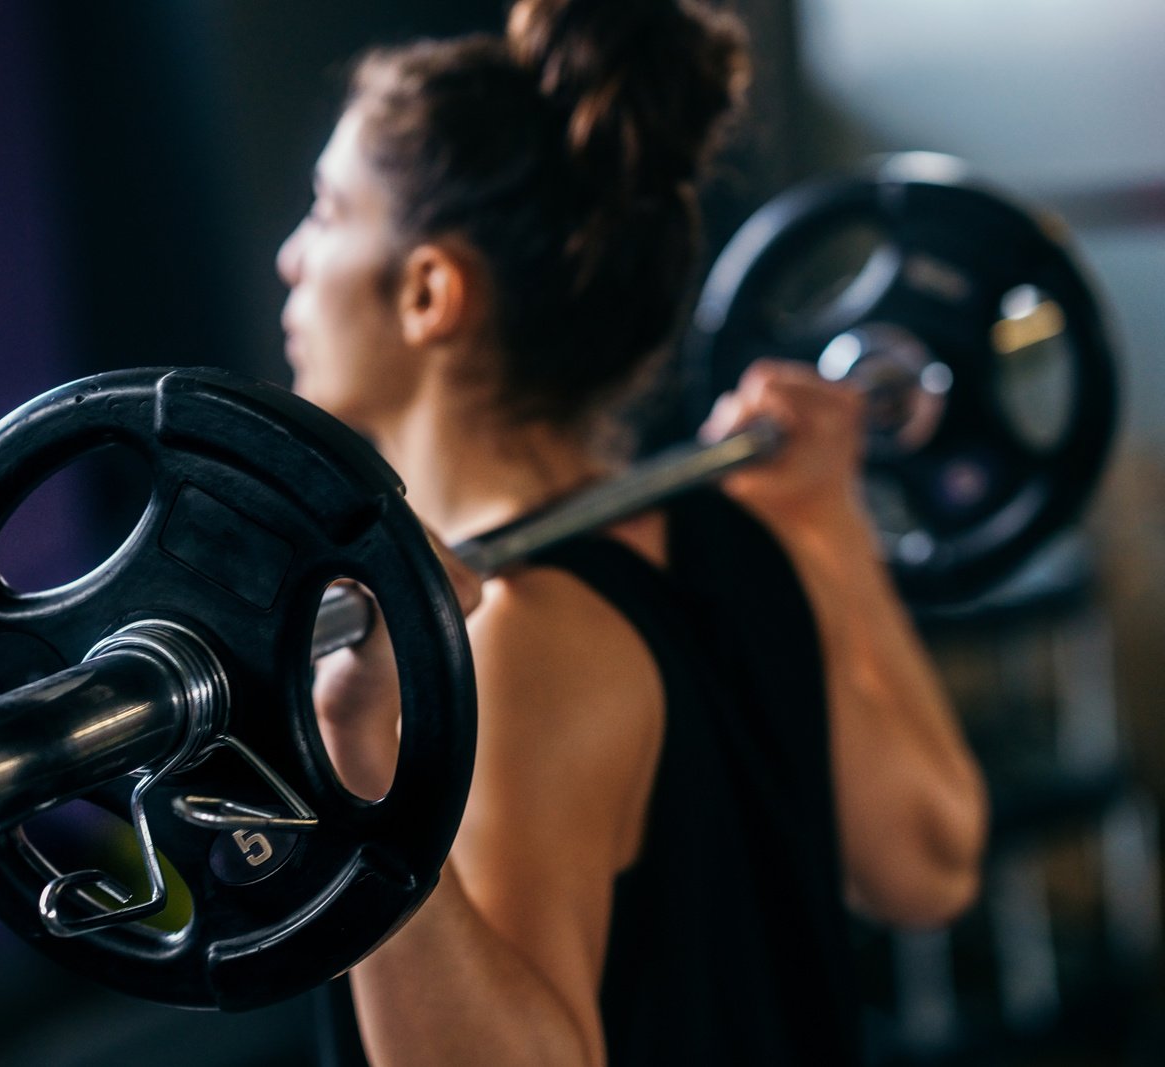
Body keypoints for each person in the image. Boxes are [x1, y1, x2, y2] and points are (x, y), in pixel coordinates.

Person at [276, 0, 989, 1063]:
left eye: (329, 212)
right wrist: (827, 525)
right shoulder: (731, 539)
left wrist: (363, 765)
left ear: (430, 290)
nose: (293, 258)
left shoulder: (516, 646)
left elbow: (930, 867)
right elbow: (930, 859)